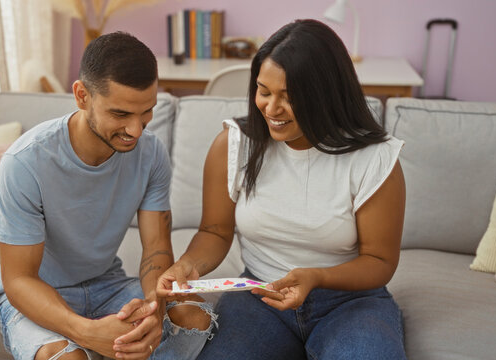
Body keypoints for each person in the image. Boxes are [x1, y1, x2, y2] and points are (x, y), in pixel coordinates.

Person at [157, 19, 407, 360]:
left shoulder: (375, 158)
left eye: (288, 98)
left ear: (326, 96)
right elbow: (215, 230)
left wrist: (316, 277)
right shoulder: (234, 144)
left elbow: (379, 261)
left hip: (350, 303)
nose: (271, 109)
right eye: (264, 91)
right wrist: (188, 265)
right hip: (259, 298)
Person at [0, 32, 216, 360]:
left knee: (196, 318)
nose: (136, 131)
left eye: (146, 112)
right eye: (121, 114)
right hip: (37, 296)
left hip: (107, 284)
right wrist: (84, 332)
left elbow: (156, 250)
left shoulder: (151, 154)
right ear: (82, 96)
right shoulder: (24, 163)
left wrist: (153, 307)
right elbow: (19, 280)